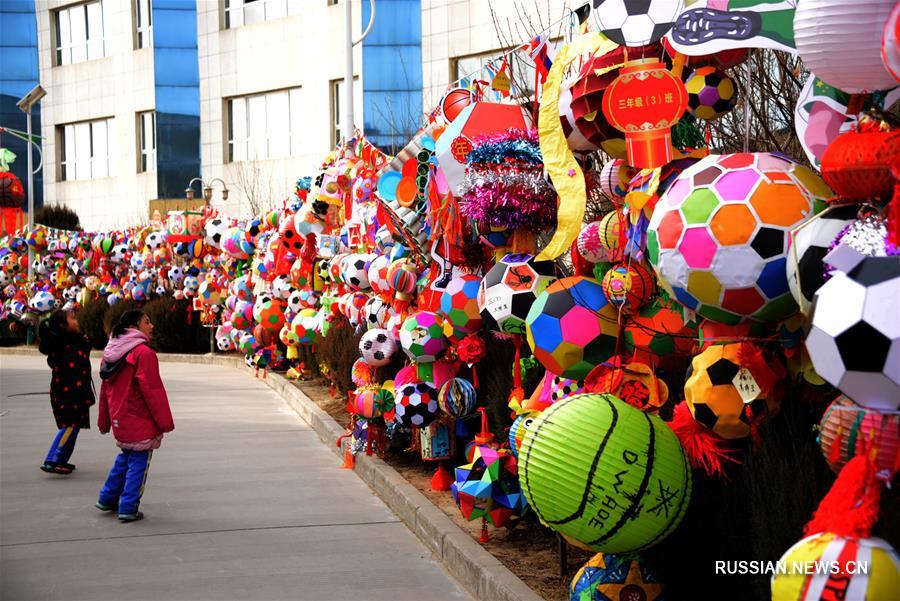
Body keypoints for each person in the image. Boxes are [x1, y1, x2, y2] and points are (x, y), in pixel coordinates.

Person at [96, 310, 174, 522]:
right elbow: (153, 390)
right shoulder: (143, 353)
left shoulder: (111, 352)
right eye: (147, 322)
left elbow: (106, 392)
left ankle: (107, 497)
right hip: (139, 417)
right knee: (139, 461)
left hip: (120, 417)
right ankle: (128, 506)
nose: (152, 326)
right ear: (134, 327)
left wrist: (104, 420)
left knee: (125, 457)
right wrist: (165, 422)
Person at [38, 309, 95, 475]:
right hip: (67, 392)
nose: (76, 321)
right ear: (62, 325)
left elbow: (86, 345)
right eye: (72, 319)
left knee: (74, 426)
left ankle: (61, 460)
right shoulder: (61, 344)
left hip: (78, 391)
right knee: (70, 424)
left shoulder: (75, 341)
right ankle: (53, 459)